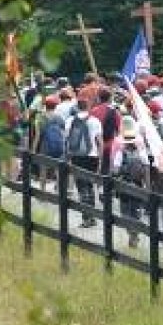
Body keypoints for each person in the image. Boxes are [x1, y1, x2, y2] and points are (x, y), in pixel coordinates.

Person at [63, 98, 104, 228]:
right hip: (92, 156)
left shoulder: (70, 121)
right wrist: (101, 158)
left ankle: (86, 217)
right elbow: (99, 142)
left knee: (81, 186)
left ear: (77, 107)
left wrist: (67, 157)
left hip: (77, 156)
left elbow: (67, 141)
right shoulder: (95, 121)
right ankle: (91, 216)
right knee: (90, 185)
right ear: (88, 107)